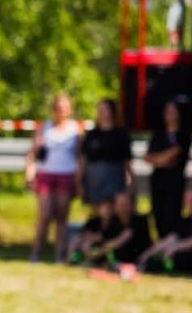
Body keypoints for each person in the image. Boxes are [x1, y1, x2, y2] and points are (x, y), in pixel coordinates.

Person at [25, 93, 82, 264]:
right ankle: (35, 254)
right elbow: (33, 154)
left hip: (66, 175)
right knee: (44, 215)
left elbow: (80, 157)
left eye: (64, 108)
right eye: (58, 107)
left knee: (62, 217)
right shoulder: (45, 128)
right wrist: (29, 173)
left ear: (69, 110)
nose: (61, 111)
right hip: (46, 174)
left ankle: (59, 256)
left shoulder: (76, 129)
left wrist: (79, 181)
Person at [137, 189, 192, 274]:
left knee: (175, 258)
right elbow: (172, 238)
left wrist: (175, 248)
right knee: (156, 257)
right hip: (186, 254)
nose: (190, 204)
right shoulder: (187, 220)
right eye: (188, 201)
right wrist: (149, 253)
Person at [145, 100, 191, 238]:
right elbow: (148, 157)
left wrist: (158, 159)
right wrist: (162, 159)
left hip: (175, 180)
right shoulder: (158, 134)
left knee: (172, 214)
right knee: (158, 213)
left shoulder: (183, 135)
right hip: (158, 180)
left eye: (173, 112)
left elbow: (175, 155)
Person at [81, 99, 132, 208]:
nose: (102, 112)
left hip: (115, 179)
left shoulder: (121, 135)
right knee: (102, 211)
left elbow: (127, 162)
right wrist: (80, 181)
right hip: (95, 179)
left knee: (119, 206)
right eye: (100, 109)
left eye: (105, 109)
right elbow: (83, 160)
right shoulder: (92, 135)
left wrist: (131, 183)